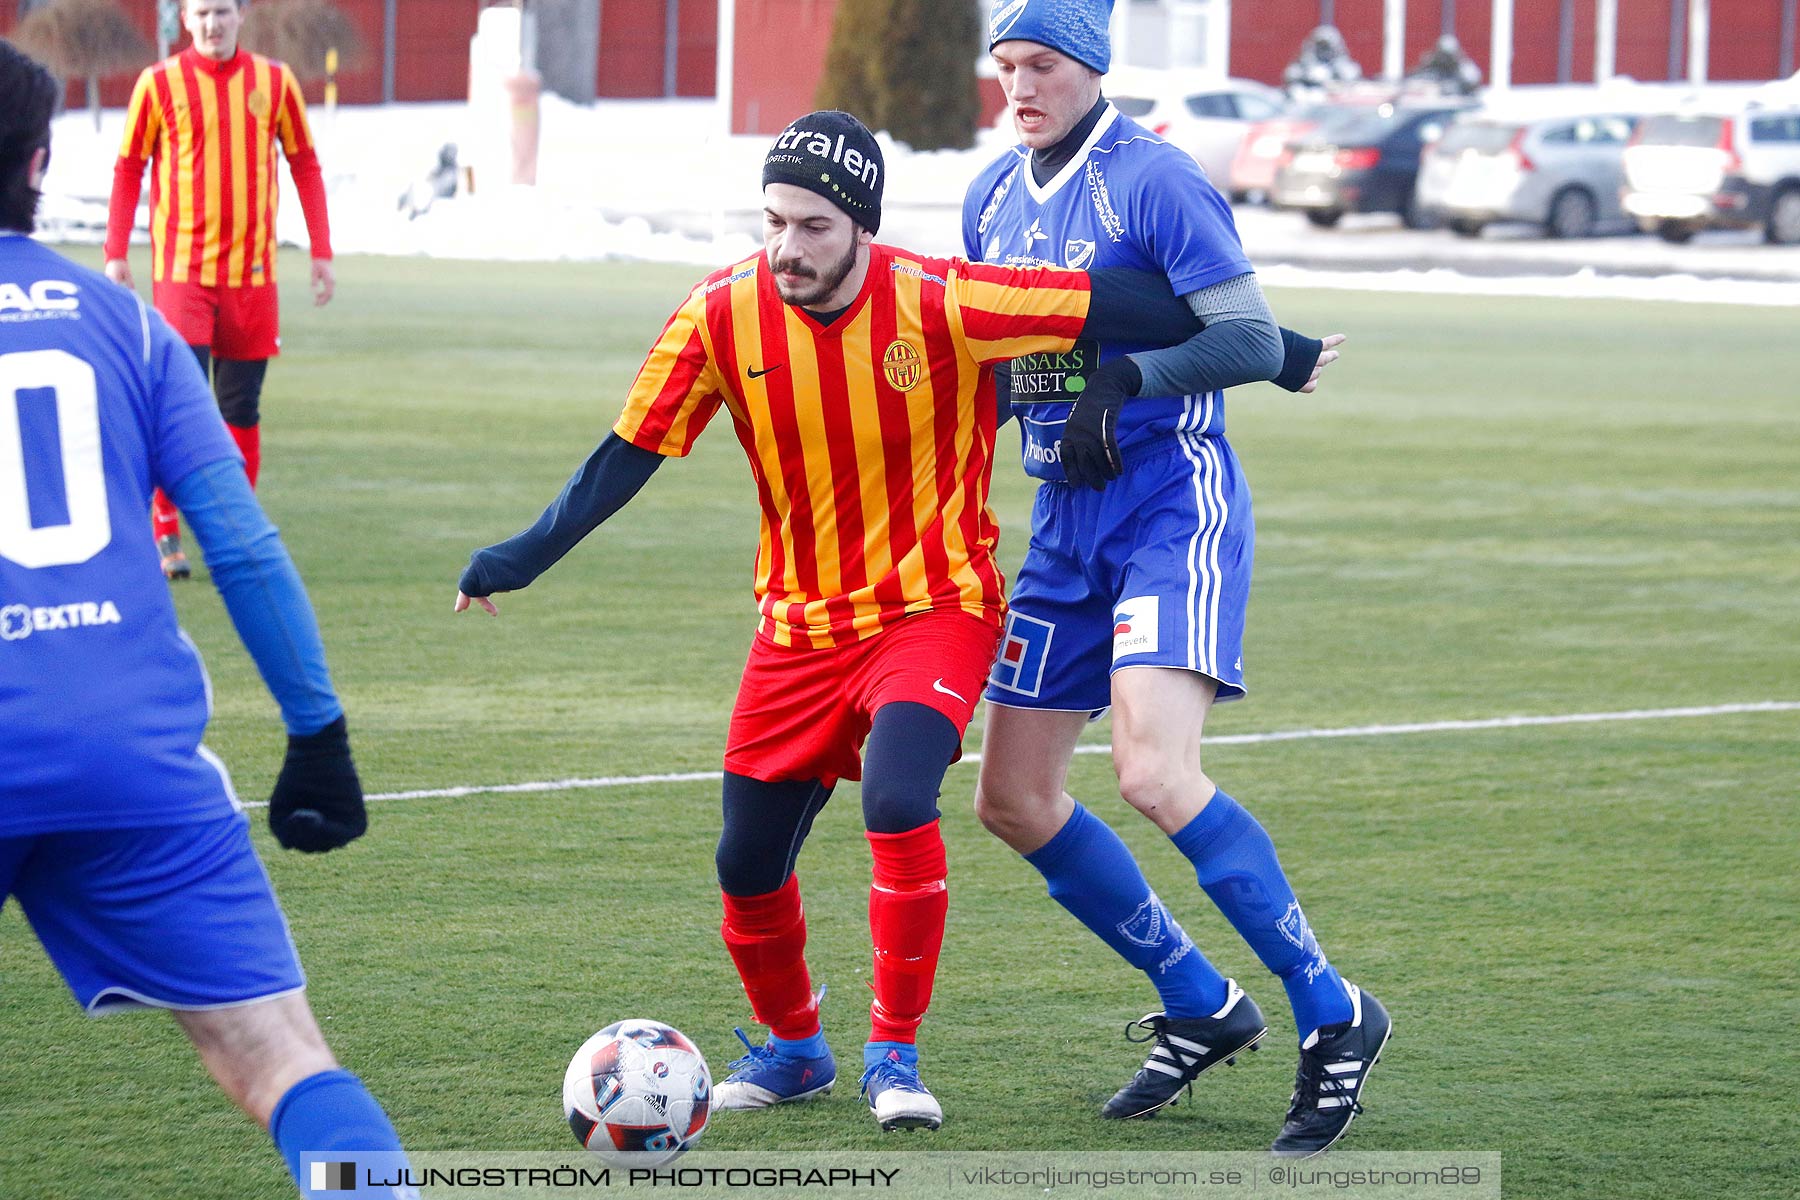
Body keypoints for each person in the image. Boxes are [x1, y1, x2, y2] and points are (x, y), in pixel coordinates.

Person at [454, 110, 1328, 1134]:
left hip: (934, 608)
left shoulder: (944, 298)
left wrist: (1273, 348)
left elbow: (1122, 300)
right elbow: (626, 454)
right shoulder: (719, 314)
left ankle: (894, 1057)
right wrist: (519, 553)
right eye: (774, 221)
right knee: (745, 863)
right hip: (797, 630)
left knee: (901, 798)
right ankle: (795, 1050)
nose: (787, 247)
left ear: (861, 224)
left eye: (813, 225)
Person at [966, 0, 1386, 1156]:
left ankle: (1334, 1011)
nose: (1020, 86)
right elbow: (998, 351)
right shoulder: (992, 196)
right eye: (1005, 67)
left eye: (1041, 65)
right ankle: (1205, 1003)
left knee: (1153, 771)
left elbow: (1248, 340)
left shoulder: (1153, 179)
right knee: (1011, 800)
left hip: (1168, 505)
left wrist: (1129, 379)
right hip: (1062, 525)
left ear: (1091, 67)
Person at [1, 41, 407, 1200]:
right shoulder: (126, 327)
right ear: (39, 164)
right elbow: (238, 539)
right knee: (279, 1056)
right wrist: (317, 731)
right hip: (129, 759)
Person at [103, 0, 336, 581]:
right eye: (202, 12)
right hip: (184, 276)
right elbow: (129, 166)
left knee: (241, 409)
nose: (213, 24)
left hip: (253, 278)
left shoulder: (275, 83)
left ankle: (237, 531)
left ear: (241, 15)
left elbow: (305, 164)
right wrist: (115, 252)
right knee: (180, 408)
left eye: (223, 12)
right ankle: (164, 529)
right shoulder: (157, 84)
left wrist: (321, 250)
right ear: (185, 18)